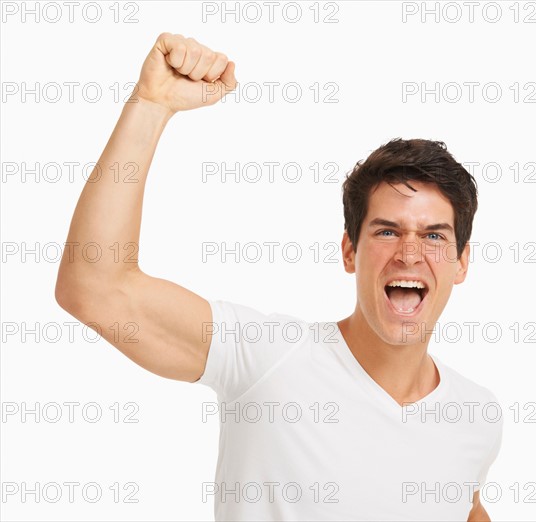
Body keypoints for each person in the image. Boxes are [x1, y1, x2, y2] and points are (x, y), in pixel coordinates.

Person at [55, 33, 502, 521]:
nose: (410, 253)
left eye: (435, 236)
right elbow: (96, 288)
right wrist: (151, 105)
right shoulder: (268, 359)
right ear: (350, 251)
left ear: (462, 263)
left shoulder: (476, 416)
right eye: (387, 231)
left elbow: (465, 504)